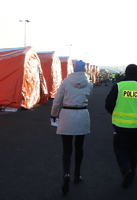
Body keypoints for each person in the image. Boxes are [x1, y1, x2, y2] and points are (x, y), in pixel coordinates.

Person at [105, 64, 137, 189]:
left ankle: (126, 170)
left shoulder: (119, 86)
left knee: (120, 149)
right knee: (133, 150)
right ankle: (131, 176)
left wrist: (115, 111)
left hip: (120, 125)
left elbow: (108, 104)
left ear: (126, 73)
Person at [51, 60, 93, 194]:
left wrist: (53, 114)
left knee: (67, 148)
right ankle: (77, 174)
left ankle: (66, 173)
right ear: (85, 70)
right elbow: (88, 97)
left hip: (67, 115)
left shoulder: (65, 82)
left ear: (74, 69)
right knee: (79, 147)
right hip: (82, 114)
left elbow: (57, 100)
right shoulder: (90, 84)